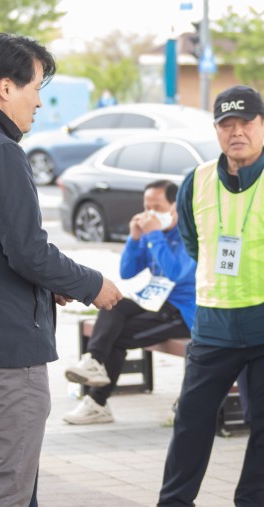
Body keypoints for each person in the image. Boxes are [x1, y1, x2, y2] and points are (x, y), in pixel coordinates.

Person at [0, 33, 122, 507]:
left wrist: (45, 284)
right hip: (4, 354)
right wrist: (95, 285)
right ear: (6, 88)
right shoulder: (0, 150)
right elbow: (28, 251)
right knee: (2, 490)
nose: (38, 102)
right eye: (35, 88)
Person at [158, 84, 264, 507]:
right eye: (226, 124)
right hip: (213, 325)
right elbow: (191, 242)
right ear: (217, 129)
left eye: (245, 123)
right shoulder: (195, 181)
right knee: (191, 423)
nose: (236, 132)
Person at [62, 180, 196, 425]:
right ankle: (93, 362)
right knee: (116, 304)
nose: (150, 213)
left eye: (157, 206)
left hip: (182, 311)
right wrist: (135, 239)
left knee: (115, 337)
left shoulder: (189, 233)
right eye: (147, 206)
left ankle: (97, 402)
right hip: (154, 302)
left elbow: (176, 273)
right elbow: (126, 272)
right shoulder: (150, 232)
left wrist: (154, 234)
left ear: (175, 207)